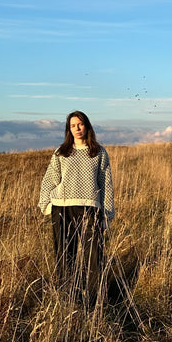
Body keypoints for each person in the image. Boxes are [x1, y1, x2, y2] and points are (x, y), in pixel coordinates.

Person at [38, 110, 115, 304]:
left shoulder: (98, 152)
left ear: (87, 126)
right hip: (62, 208)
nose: (77, 128)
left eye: (80, 124)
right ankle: (68, 299)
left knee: (94, 257)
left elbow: (105, 184)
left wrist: (107, 214)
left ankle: (95, 301)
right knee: (65, 255)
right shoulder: (61, 152)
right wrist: (46, 205)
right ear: (68, 129)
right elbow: (50, 179)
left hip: (90, 209)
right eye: (72, 126)